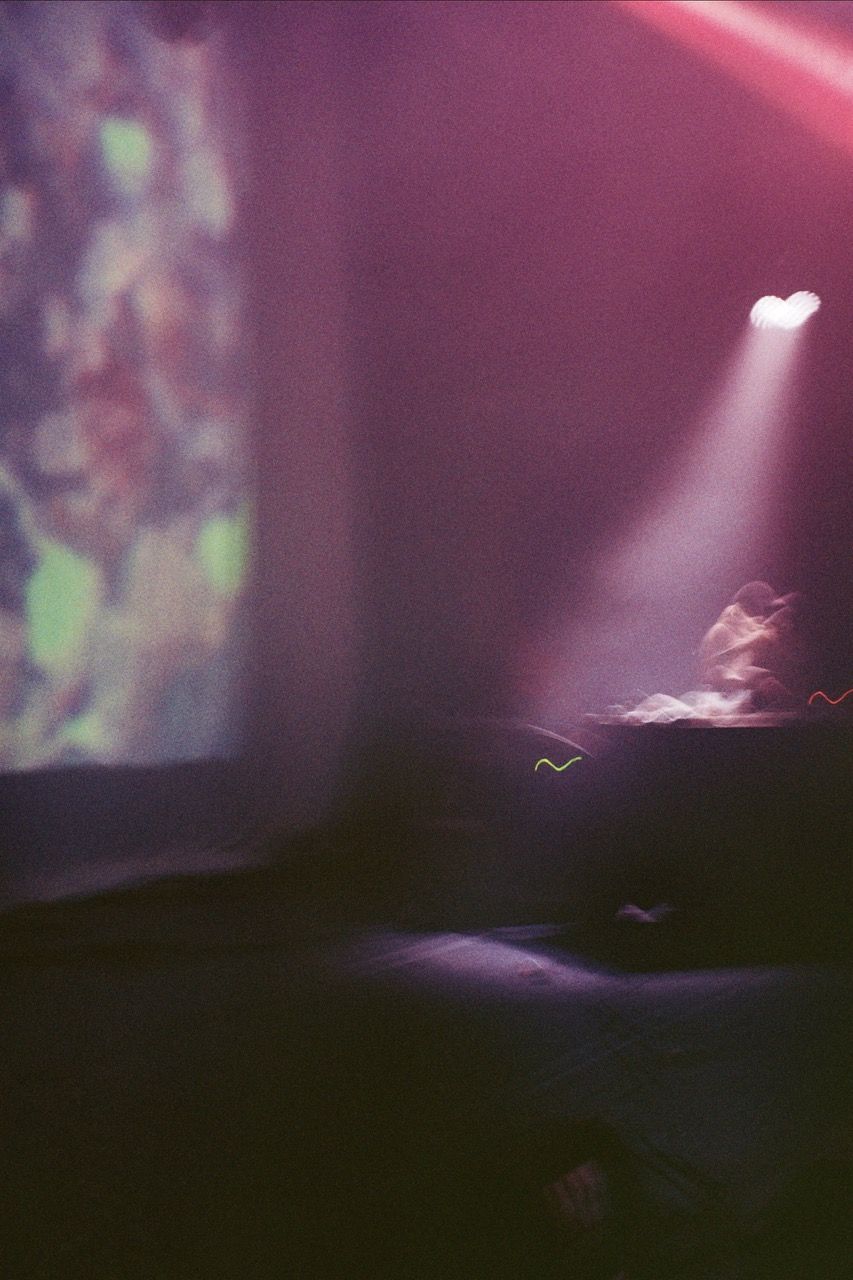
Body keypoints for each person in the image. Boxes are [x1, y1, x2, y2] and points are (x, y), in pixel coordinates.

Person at [698, 581, 801, 711]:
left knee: (765, 681)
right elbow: (715, 668)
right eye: (764, 602)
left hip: (731, 690)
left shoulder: (744, 626)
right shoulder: (724, 629)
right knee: (763, 679)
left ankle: (799, 709)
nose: (763, 617)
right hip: (720, 694)